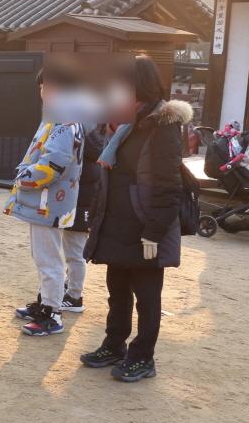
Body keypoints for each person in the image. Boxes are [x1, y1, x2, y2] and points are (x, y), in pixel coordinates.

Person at [82, 58, 191, 382]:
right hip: (118, 223)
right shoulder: (123, 122)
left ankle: (143, 356)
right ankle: (114, 344)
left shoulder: (162, 125)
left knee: (146, 296)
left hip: (145, 226)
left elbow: (168, 186)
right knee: (117, 290)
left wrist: (154, 233)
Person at [3, 68, 88, 336]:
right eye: (43, 87)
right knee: (46, 256)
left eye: (51, 88)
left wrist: (22, 176)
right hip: (46, 201)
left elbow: (52, 165)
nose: (45, 92)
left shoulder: (65, 122)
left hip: (47, 201)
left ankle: (52, 312)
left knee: (47, 258)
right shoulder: (58, 118)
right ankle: (46, 303)